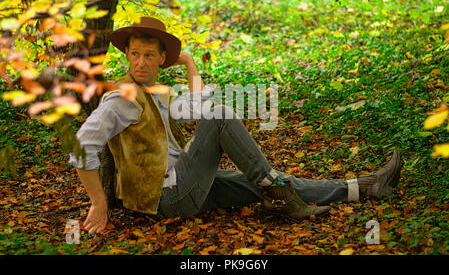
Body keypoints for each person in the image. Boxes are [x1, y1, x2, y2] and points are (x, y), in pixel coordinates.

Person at [69, 17, 402, 234]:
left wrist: (187, 61)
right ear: (126, 54)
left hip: (184, 182)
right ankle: (277, 191)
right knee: (223, 115)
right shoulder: (120, 99)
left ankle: (361, 186)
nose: (140, 62)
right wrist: (99, 203)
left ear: (160, 60)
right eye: (135, 54)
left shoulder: (157, 93)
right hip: (165, 197)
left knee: (261, 182)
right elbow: (83, 145)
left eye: (149, 56)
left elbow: (196, 109)